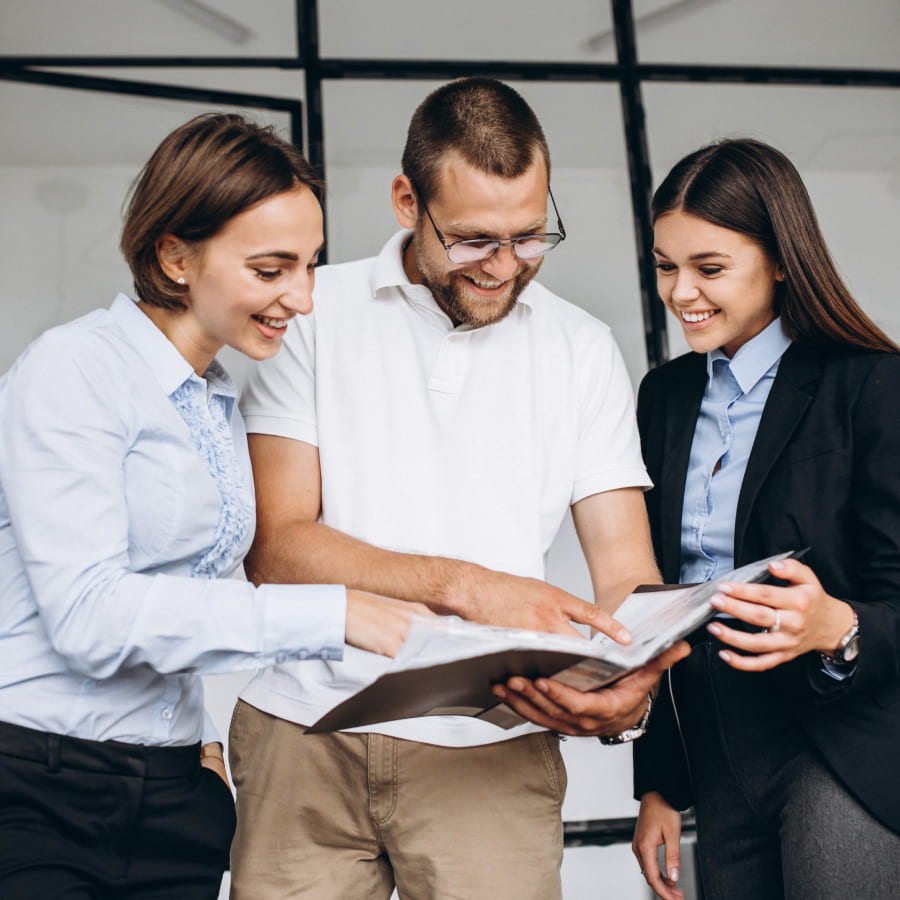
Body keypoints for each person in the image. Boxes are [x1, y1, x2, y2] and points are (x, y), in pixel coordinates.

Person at [228, 76, 687, 900]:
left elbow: (625, 569)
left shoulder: (583, 350)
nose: (505, 267)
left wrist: (633, 678)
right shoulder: (307, 311)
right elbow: (277, 546)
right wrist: (470, 589)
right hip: (303, 735)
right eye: (475, 239)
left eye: (530, 235)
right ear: (408, 201)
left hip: (494, 753)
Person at [0, 112, 424, 900]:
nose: (301, 297)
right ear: (175, 255)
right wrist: (332, 614)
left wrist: (189, 739)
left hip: (171, 797)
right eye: (272, 269)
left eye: (310, 265)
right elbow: (90, 617)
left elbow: (186, 592)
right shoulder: (73, 370)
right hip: (38, 786)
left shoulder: (215, 399)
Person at [629, 138, 900, 900]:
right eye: (665, 266)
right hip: (717, 752)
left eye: (709, 269)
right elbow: (660, 601)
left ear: (781, 260)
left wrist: (836, 625)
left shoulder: (871, 386)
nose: (681, 291)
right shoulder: (666, 397)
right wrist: (659, 785)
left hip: (838, 749)